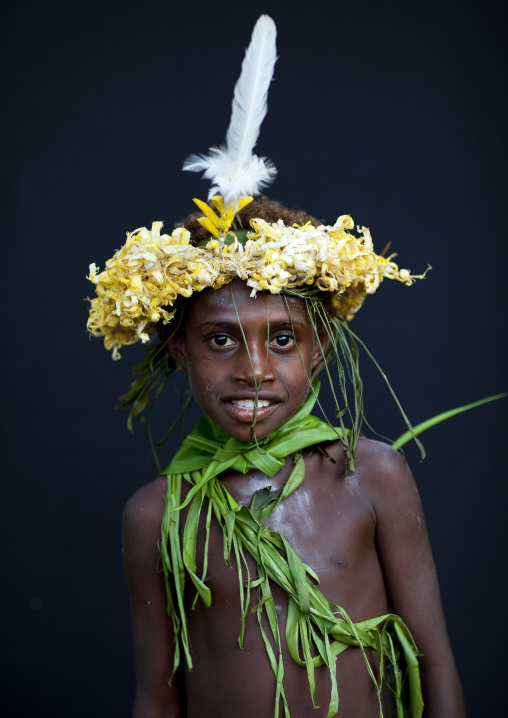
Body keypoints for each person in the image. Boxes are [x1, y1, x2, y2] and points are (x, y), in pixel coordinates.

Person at [87, 16, 466, 717]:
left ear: (320, 346)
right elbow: (156, 697)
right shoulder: (155, 515)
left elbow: (434, 658)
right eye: (221, 340)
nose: (253, 368)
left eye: (283, 340)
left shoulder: (371, 475)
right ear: (179, 350)